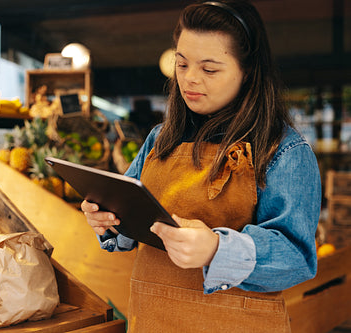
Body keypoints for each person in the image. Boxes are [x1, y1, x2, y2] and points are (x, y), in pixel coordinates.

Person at [81, 0, 321, 332]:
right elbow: (133, 221)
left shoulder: (284, 149)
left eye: (209, 69)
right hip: (151, 320)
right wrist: (107, 218)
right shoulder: (159, 139)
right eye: (182, 65)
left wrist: (217, 249)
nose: (190, 79)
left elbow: (297, 257)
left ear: (248, 71)